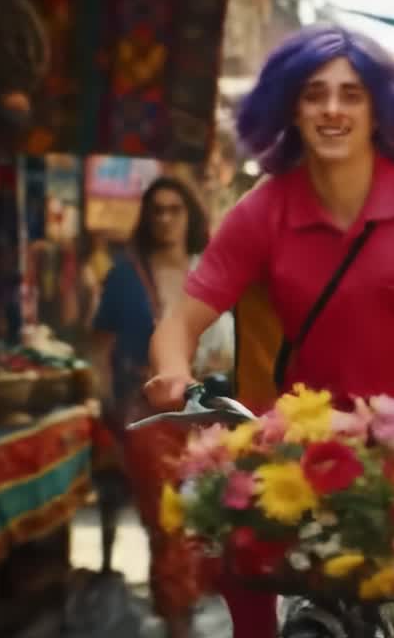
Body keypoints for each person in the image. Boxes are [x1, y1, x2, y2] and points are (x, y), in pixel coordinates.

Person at [144, 24, 394, 638]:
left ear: (380, 108)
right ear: (291, 108)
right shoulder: (263, 209)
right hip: (308, 437)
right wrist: (174, 370)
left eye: (351, 94)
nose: (332, 109)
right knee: (233, 556)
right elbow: (184, 318)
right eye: (314, 94)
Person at [88, 176, 234, 638]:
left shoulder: (210, 269)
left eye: (175, 209)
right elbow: (99, 347)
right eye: (158, 210)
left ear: (190, 215)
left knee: (212, 519)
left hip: (210, 414)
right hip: (146, 416)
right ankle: (176, 625)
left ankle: (190, 612)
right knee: (167, 522)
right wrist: (106, 404)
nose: (166, 219)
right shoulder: (126, 276)